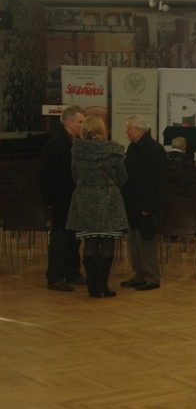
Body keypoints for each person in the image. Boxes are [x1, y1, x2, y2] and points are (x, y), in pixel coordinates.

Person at [66, 116, 128, 298]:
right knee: (108, 244)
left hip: (85, 199)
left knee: (89, 244)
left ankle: (92, 287)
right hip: (109, 199)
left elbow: (74, 175)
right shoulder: (113, 150)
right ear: (102, 130)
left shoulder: (77, 150)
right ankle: (103, 286)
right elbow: (123, 178)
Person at [38, 106, 85, 292]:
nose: (83, 125)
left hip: (76, 200)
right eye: (80, 122)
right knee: (60, 239)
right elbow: (45, 177)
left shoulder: (78, 143)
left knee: (75, 238)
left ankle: (73, 272)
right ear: (69, 122)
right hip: (61, 200)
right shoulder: (55, 145)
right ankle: (55, 276)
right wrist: (49, 200)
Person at [120, 115, 167, 291]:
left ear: (139, 129)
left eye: (129, 128)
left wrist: (148, 206)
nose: (127, 132)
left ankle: (151, 277)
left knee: (145, 241)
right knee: (134, 242)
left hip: (145, 204)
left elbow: (156, 181)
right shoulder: (133, 147)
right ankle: (139, 274)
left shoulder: (154, 149)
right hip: (132, 203)